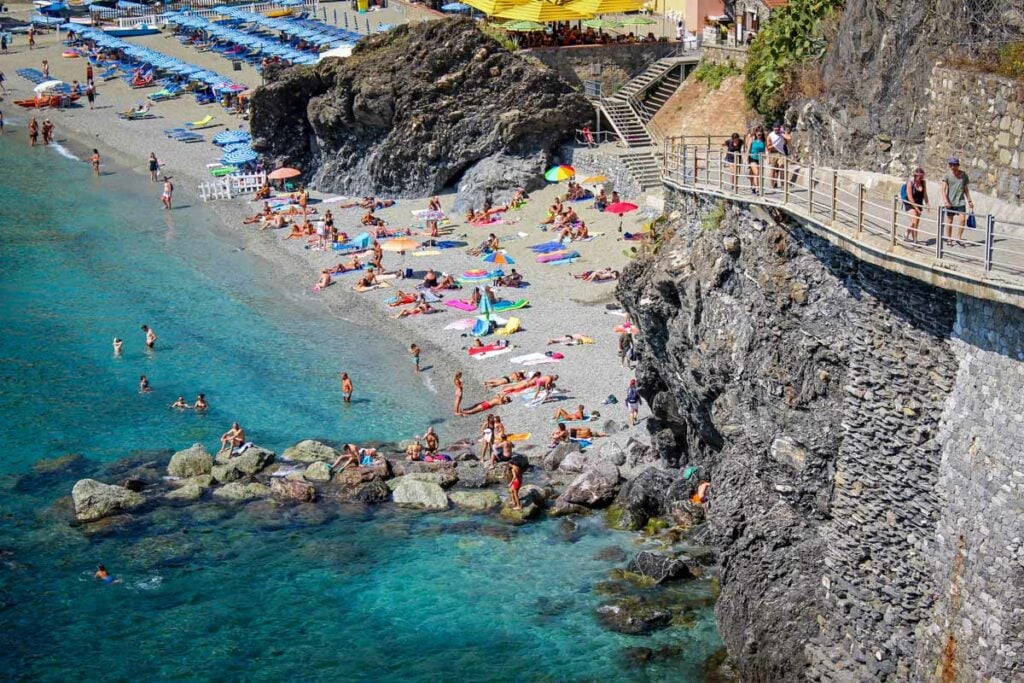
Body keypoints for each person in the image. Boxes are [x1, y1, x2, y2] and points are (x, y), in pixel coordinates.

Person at [941, 157, 973, 246]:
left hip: (961, 201)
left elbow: (966, 189)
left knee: (963, 220)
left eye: (954, 165)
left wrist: (969, 200)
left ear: (958, 165)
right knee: (950, 221)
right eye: (950, 165)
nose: (952, 167)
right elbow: (943, 190)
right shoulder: (946, 176)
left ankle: (958, 237)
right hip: (950, 202)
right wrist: (945, 201)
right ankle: (949, 239)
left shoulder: (964, 175)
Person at [902, 168, 929, 243]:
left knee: (916, 223)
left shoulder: (923, 183)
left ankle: (909, 235)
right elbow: (910, 197)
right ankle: (914, 240)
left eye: (922, 176)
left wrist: (927, 204)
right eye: (919, 177)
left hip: (919, 203)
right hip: (910, 204)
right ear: (915, 176)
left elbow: (925, 194)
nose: (921, 178)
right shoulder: (910, 183)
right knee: (914, 221)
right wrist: (916, 208)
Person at [768, 122, 790, 189]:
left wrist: (783, 132)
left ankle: (783, 185)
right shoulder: (770, 135)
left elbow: (789, 138)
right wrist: (774, 146)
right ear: (773, 128)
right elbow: (768, 147)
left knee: (782, 168)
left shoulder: (782, 134)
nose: (776, 130)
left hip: (781, 153)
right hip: (773, 153)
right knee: (773, 169)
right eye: (775, 129)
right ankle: (772, 184)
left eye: (777, 129)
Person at [747, 127, 766, 194]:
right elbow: (748, 150)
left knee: (753, 173)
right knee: (757, 172)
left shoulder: (763, 141)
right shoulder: (752, 139)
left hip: (760, 159)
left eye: (760, 133)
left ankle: (752, 186)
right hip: (752, 157)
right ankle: (757, 188)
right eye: (758, 133)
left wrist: (766, 157)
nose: (759, 134)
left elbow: (764, 150)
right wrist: (747, 159)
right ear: (756, 133)